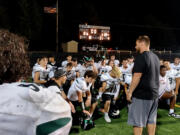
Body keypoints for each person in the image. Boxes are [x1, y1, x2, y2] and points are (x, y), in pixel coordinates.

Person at [0, 29, 72, 135]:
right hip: (37, 88)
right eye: (45, 60)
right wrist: (47, 81)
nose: (46, 61)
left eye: (47, 60)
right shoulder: (38, 70)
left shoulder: (46, 68)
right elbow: (37, 80)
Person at [126, 35, 160, 135]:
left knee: (138, 122)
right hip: (154, 95)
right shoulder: (155, 57)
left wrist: (130, 92)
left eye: (136, 44)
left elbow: (137, 77)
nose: (135, 47)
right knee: (151, 121)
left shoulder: (141, 57)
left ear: (142, 43)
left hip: (142, 95)